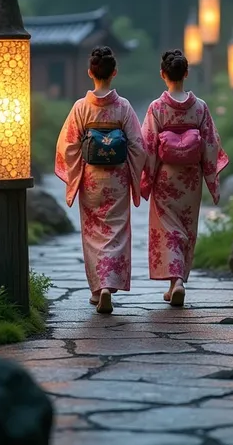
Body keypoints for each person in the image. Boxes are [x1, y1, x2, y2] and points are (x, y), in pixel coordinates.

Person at [55, 46, 146, 314]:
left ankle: (97, 289)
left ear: (90, 72)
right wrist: (134, 172)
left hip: (91, 179)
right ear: (114, 73)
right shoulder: (124, 107)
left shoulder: (81, 108)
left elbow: (68, 146)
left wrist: (75, 171)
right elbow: (138, 146)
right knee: (116, 231)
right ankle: (110, 286)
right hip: (117, 178)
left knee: (93, 233)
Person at [141, 49, 229, 307]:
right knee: (186, 229)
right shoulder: (200, 107)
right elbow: (211, 144)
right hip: (191, 176)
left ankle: (174, 279)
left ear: (162, 75)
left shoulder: (157, 108)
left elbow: (147, 145)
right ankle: (177, 283)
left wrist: (146, 177)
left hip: (166, 175)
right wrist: (211, 177)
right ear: (186, 73)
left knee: (168, 229)